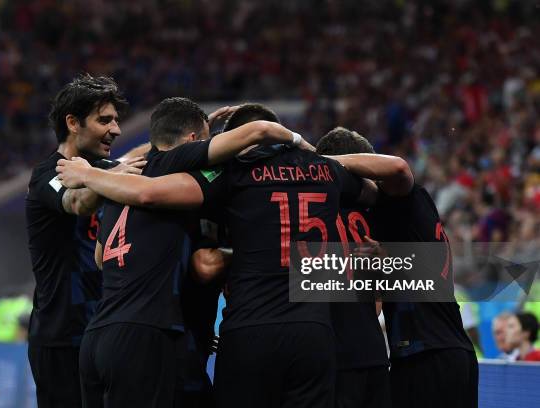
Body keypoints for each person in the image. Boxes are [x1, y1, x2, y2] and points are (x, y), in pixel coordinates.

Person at [56, 103, 412, 408]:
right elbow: (393, 175)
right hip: (327, 338)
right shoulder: (328, 172)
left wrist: (91, 175)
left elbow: (155, 200)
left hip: (244, 330)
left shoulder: (229, 174)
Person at [72, 98, 310, 408]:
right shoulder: (207, 182)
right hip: (162, 335)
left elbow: (100, 258)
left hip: (102, 332)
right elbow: (204, 265)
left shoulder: (124, 182)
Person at [331, 133, 478, 408]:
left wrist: (323, 163)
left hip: (430, 355)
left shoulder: (406, 200)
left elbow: (398, 167)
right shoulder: (400, 218)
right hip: (437, 352)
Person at [25, 73, 143, 408]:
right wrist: (110, 175)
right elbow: (76, 203)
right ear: (73, 122)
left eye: (117, 120)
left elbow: (138, 159)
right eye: (104, 120)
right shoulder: (47, 174)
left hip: (106, 331)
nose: (116, 129)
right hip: (62, 336)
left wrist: (189, 131)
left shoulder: (106, 169)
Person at [315, 127, 394, 408]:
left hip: (328, 356)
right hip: (371, 353)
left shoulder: (308, 208)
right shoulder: (376, 212)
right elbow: (378, 301)